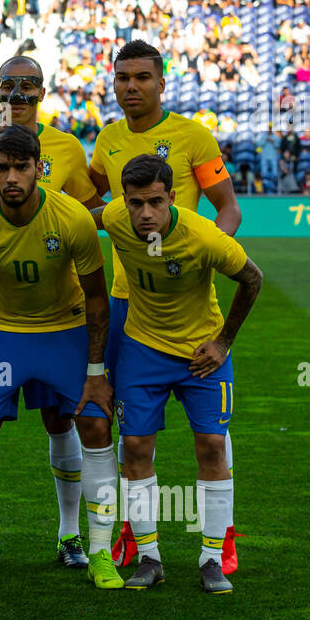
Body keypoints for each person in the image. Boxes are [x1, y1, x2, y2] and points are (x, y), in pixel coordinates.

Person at [87, 39, 243, 575]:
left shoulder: (193, 136)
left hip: (188, 296)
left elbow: (228, 209)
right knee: (124, 429)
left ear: (160, 82)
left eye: (142, 78)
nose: (132, 86)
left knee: (210, 435)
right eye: (122, 77)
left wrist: (197, 256)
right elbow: (99, 204)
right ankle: (139, 540)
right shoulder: (107, 139)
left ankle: (217, 544)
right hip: (127, 305)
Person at [0, 55, 101, 571]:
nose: (19, 93)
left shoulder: (69, 149)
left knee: (64, 420)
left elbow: (91, 215)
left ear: (44, 90)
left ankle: (73, 538)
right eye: (9, 84)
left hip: (61, 316)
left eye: (29, 85)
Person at [100, 155, 263, 594]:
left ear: (172, 198)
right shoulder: (116, 219)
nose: (145, 213)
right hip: (141, 348)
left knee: (212, 445)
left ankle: (212, 558)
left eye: (155, 202)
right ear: (124, 202)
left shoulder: (205, 237)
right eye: (136, 203)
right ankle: (149, 556)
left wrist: (224, 342)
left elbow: (253, 279)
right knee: (134, 445)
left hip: (201, 353)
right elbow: (78, 218)